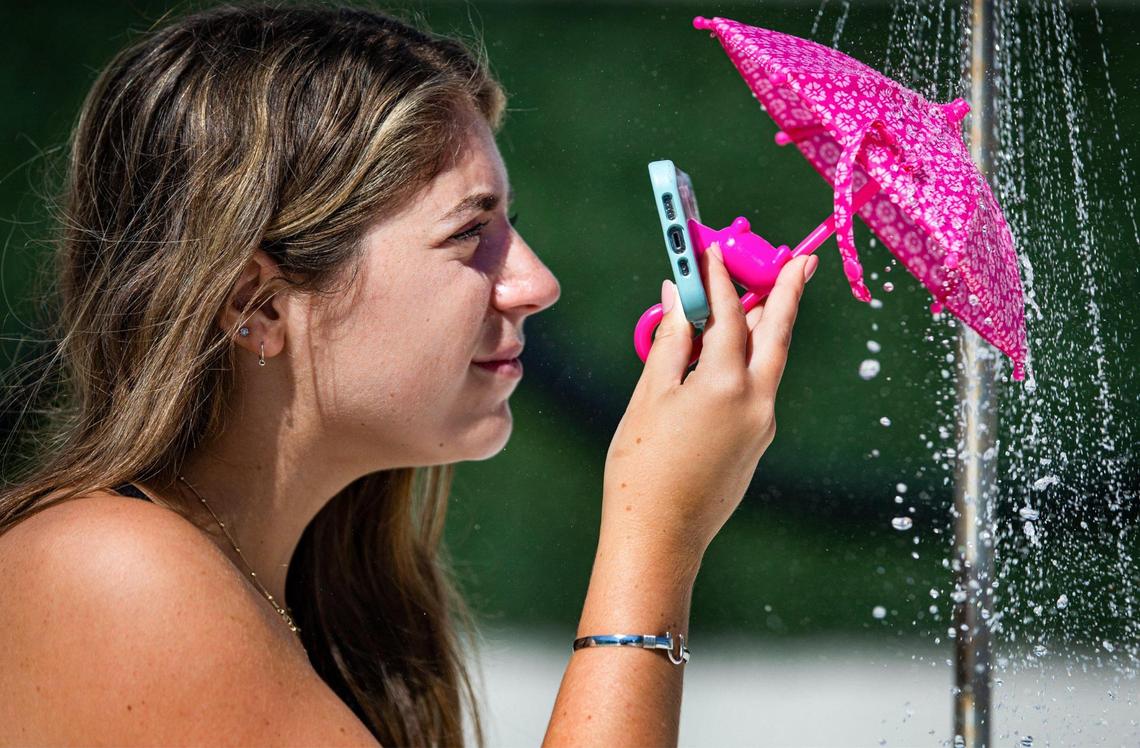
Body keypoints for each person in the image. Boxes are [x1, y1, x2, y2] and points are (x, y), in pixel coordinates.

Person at [0, 4, 816, 746]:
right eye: (472, 235)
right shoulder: (110, 571)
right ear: (257, 305)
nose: (536, 284)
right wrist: (656, 535)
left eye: (513, 227)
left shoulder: (315, 597)